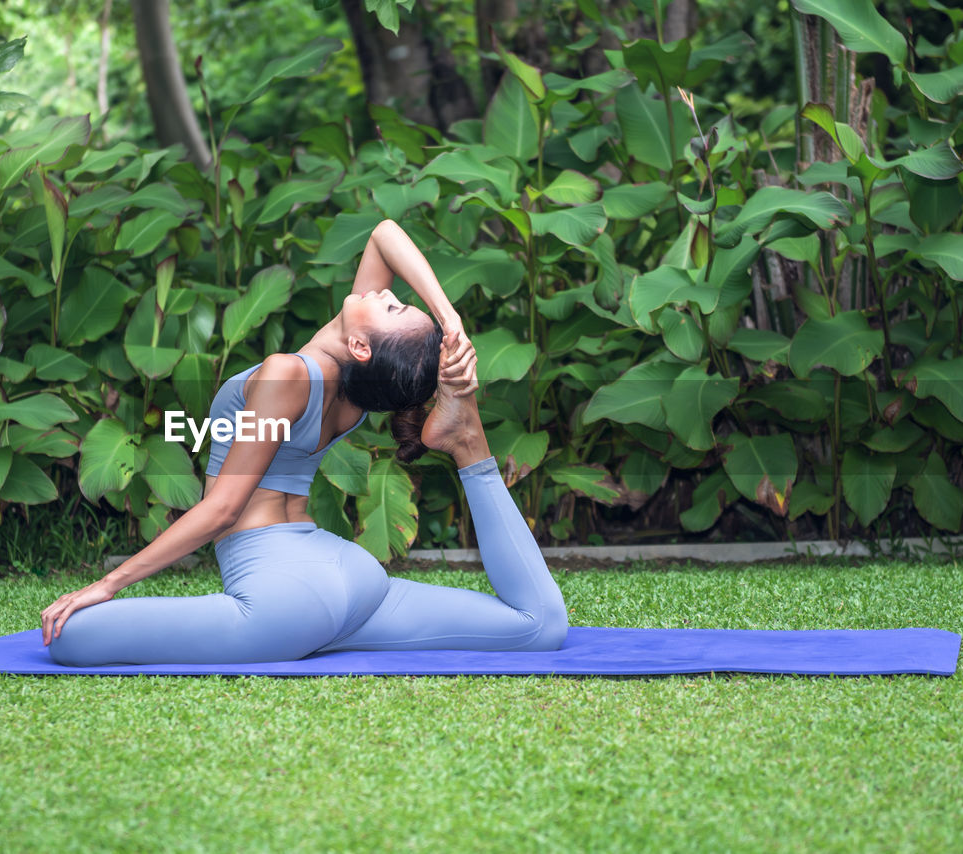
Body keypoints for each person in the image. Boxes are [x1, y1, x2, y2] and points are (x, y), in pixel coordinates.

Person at [41, 219, 568, 665]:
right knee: (538, 626)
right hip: (354, 578)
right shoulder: (353, 391)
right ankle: (468, 441)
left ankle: (465, 433)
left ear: (361, 345)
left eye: (393, 309)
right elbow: (385, 235)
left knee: (69, 638)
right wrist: (450, 322)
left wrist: (109, 583)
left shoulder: (289, 375)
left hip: (280, 600)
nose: (387, 293)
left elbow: (223, 509)